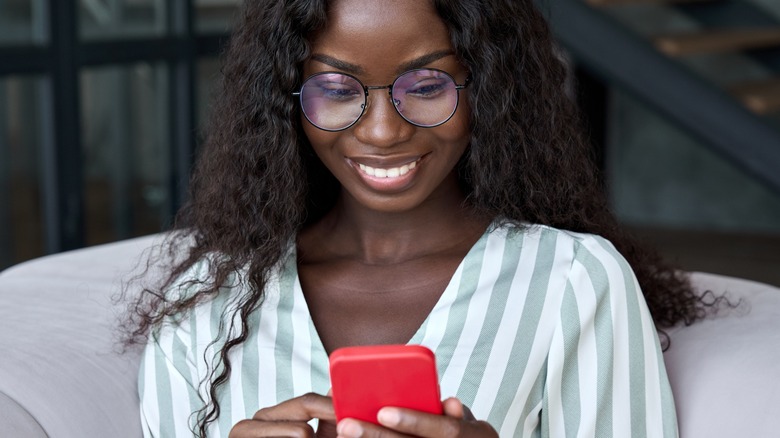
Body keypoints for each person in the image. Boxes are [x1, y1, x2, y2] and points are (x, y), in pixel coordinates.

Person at [128, 0, 711, 436]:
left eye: (428, 85)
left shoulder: (573, 280)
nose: (383, 131)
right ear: (284, 101)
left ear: (491, 88)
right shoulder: (207, 304)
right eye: (334, 88)